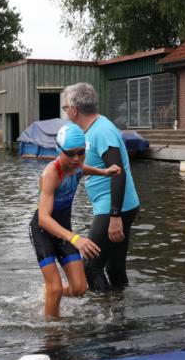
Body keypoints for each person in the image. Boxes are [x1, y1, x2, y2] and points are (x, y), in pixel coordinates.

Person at [29, 122, 121, 319]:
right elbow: (43, 219)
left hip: (63, 231)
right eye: (70, 153)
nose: (76, 158)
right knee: (54, 289)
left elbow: (83, 168)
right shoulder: (51, 174)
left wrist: (104, 172)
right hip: (43, 232)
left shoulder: (77, 166)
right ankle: (52, 335)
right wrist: (75, 238)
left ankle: (50, 297)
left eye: (81, 152)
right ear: (59, 150)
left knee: (79, 288)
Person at [62, 82, 140, 293]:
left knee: (90, 266)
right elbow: (96, 167)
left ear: (75, 110)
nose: (65, 112)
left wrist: (115, 216)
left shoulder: (101, 131)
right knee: (114, 266)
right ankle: (119, 310)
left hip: (114, 208)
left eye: (65, 108)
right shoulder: (93, 128)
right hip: (119, 205)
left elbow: (118, 172)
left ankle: (102, 316)